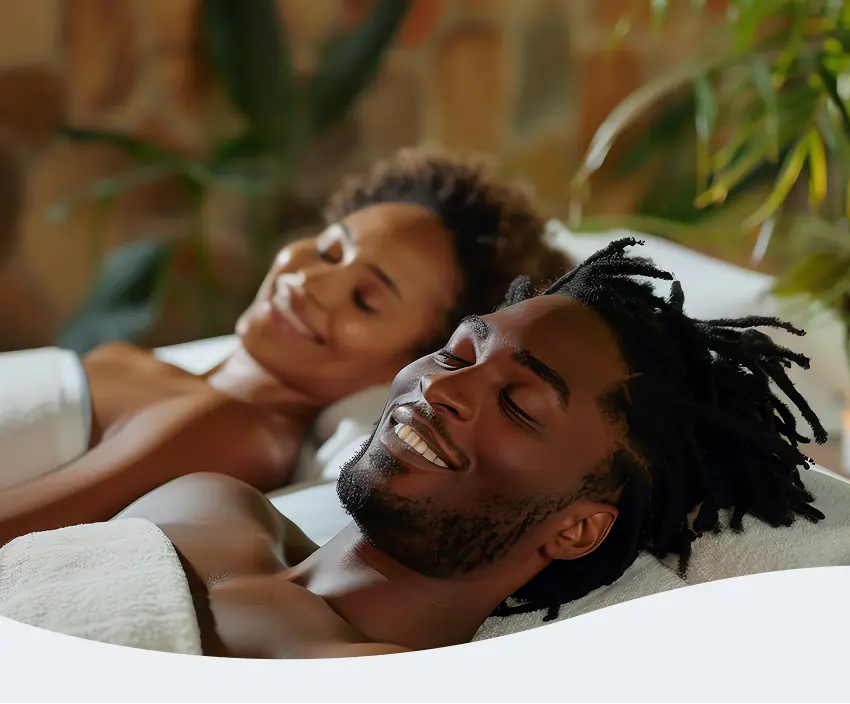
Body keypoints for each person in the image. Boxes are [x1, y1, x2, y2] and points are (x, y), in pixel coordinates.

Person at [0, 238, 829, 658]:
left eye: (519, 402)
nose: (445, 387)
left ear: (578, 528)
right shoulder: (205, 500)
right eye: (461, 352)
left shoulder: (365, 681)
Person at [0, 147, 570, 538]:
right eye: (328, 250)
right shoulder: (165, 374)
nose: (310, 281)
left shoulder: (235, 428)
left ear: (408, 364)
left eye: (365, 299)